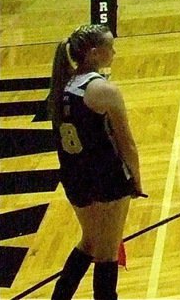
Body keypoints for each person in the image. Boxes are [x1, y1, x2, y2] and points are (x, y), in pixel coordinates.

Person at [48, 24, 146, 300]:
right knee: (107, 252)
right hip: (106, 178)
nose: (114, 52)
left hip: (74, 178)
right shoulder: (103, 90)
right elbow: (126, 142)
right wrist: (136, 180)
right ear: (94, 53)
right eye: (110, 47)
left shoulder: (62, 86)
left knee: (89, 243)